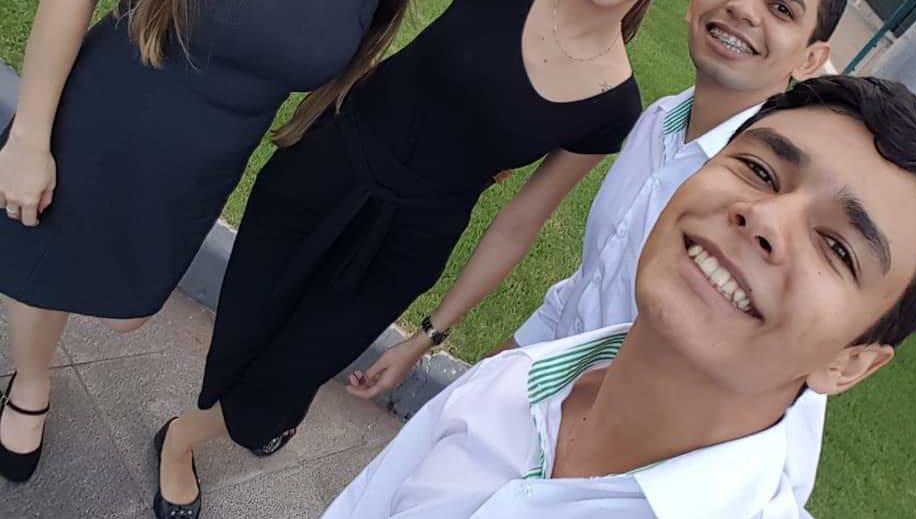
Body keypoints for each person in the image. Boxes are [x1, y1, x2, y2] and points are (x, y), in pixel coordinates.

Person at [323, 75, 916, 519]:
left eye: (837, 247)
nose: (764, 218)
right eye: (759, 170)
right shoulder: (510, 384)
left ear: (850, 362)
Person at [157, 0, 651, 517]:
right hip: (328, 168)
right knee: (249, 320)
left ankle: (184, 438)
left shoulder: (613, 106)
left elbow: (517, 226)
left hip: (403, 247)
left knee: (288, 376)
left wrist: (426, 337)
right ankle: (253, 411)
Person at [350, 0, 844, 506]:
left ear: (811, 58)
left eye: (782, 8)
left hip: (606, 477)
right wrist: (496, 372)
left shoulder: (770, 219)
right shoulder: (658, 122)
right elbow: (595, 277)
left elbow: (780, 464)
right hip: (541, 408)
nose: (743, 8)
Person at [0, 0, 405, 496]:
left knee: (125, 315)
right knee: (41, 266)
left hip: (199, 172)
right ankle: (30, 383)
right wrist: (30, 136)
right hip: (110, 109)